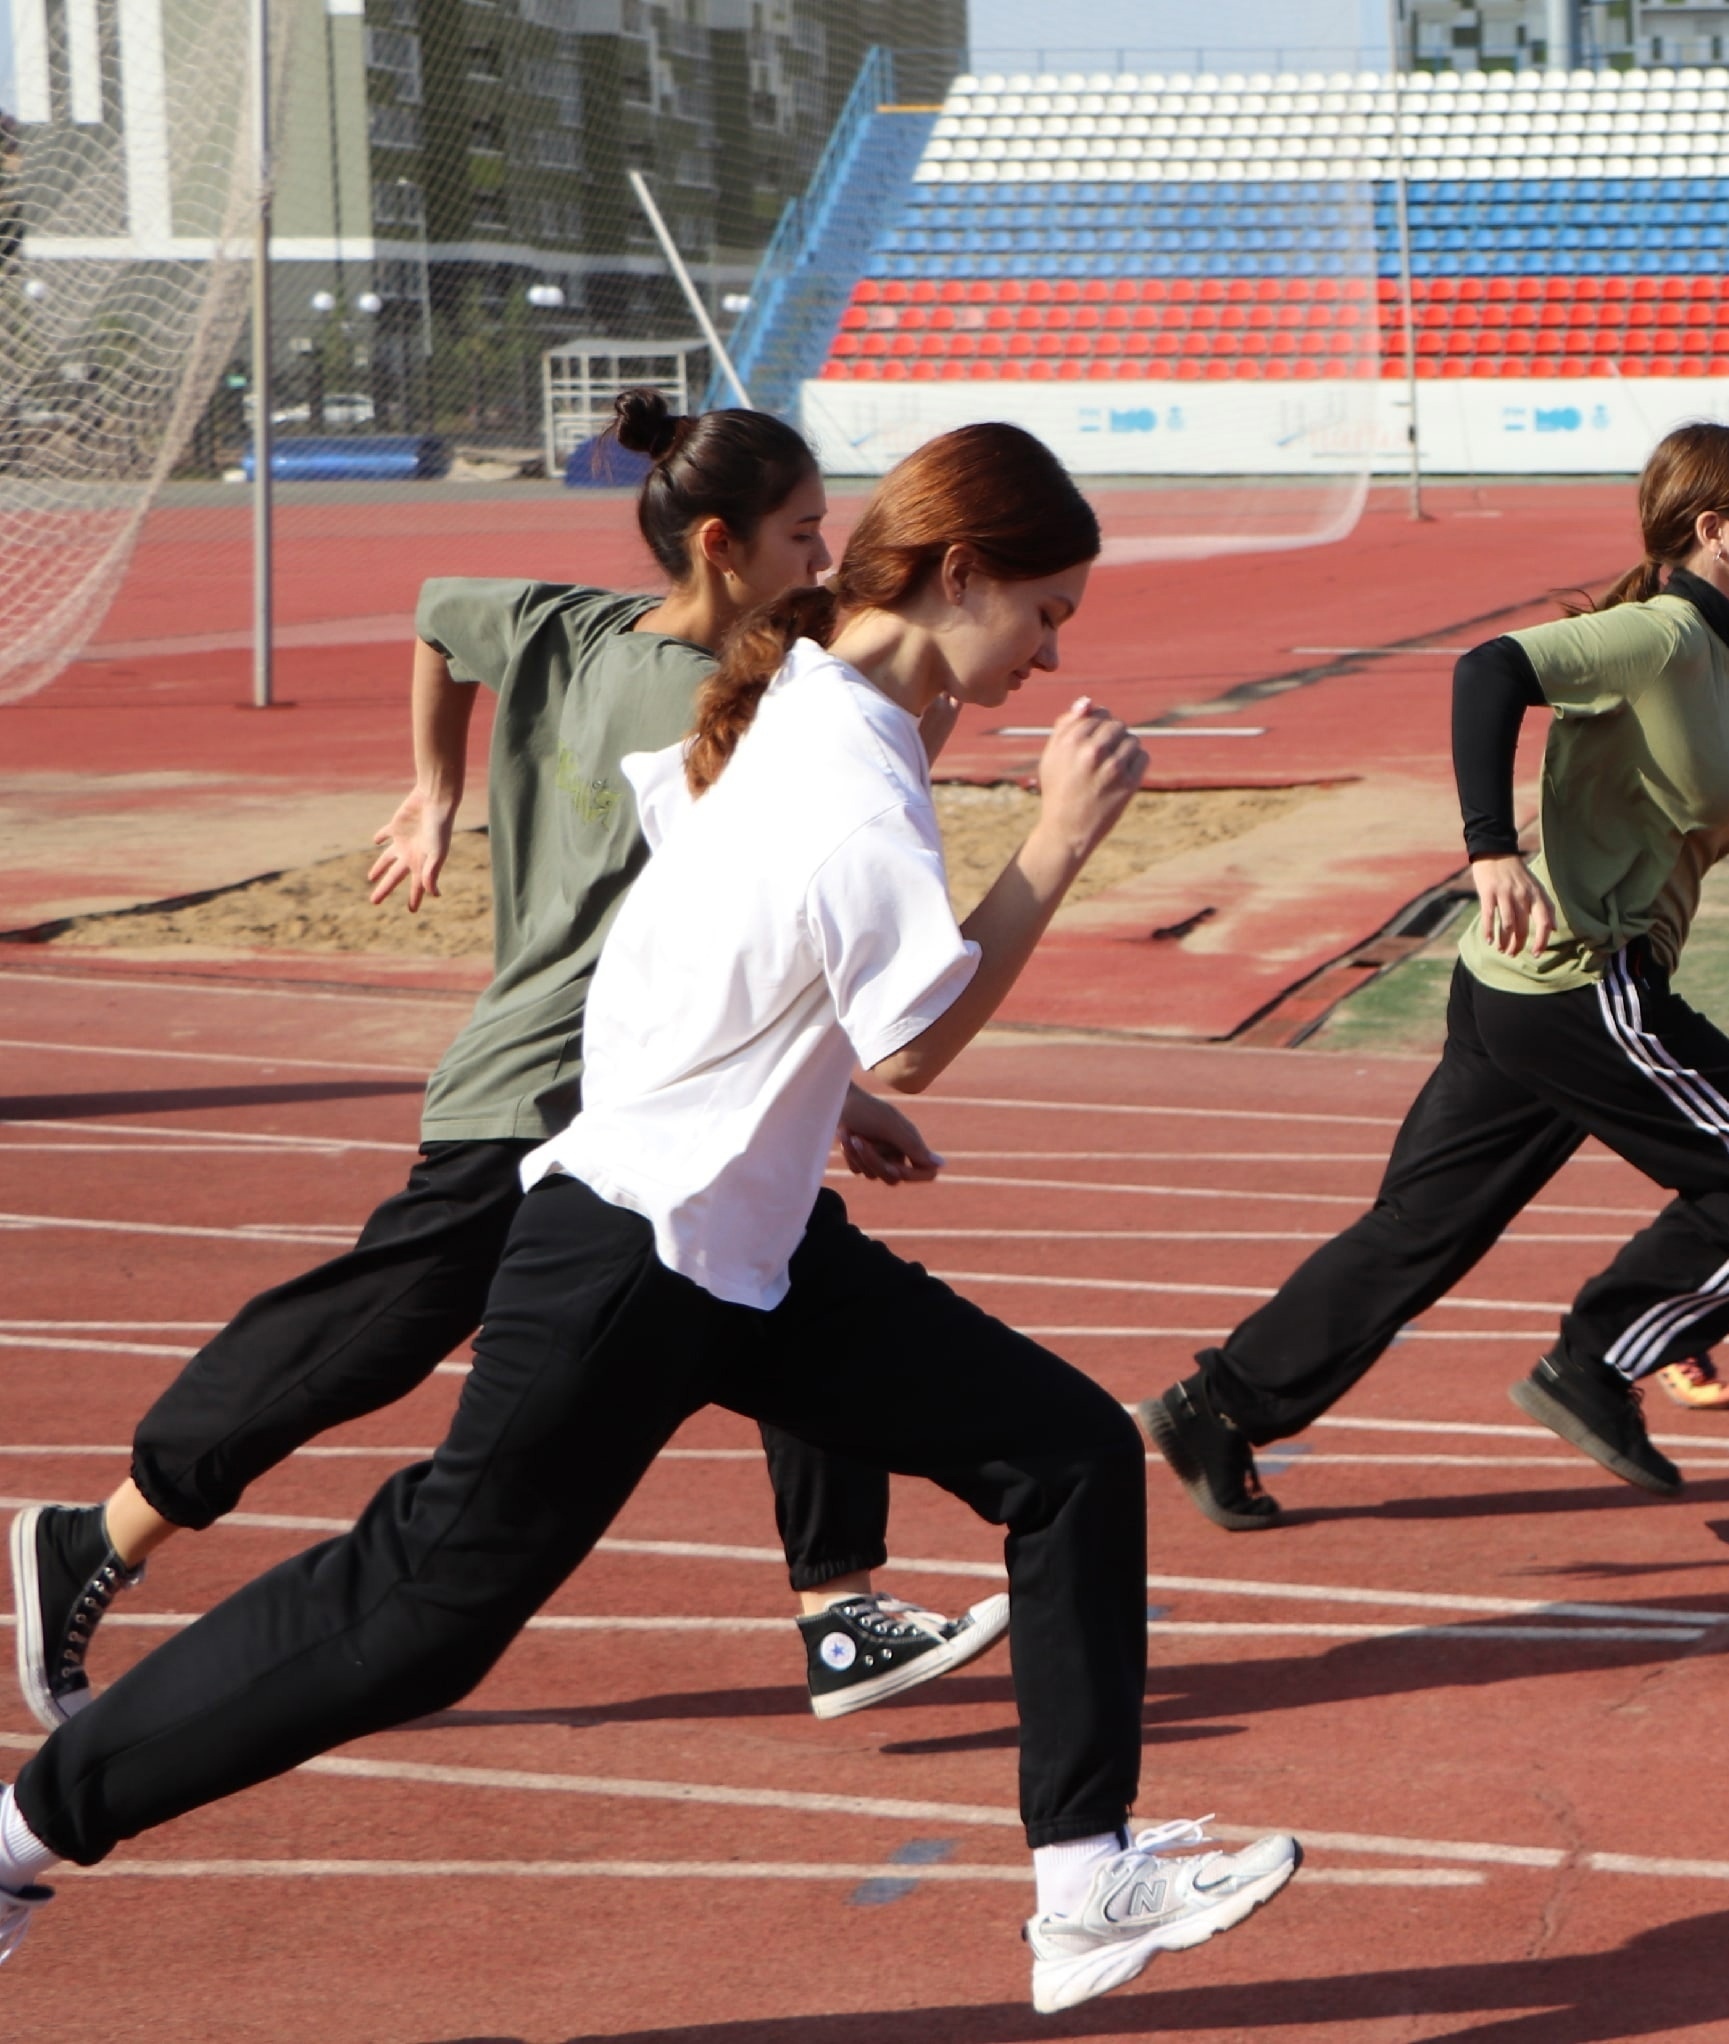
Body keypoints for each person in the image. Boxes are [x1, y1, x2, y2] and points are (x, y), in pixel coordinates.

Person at [0, 422, 1301, 2011]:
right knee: (420, 1613)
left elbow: (707, 916)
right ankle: (16, 1835)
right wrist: (1057, 842)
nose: (1054, 652)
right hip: (639, 1252)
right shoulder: (847, 769)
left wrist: (816, 1091)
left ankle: (1083, 1884)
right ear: (961, 576)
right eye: (1046, 614)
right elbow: (922, 1033)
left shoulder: (821, 689)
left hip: (744, 1248)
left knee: (1071, 1458)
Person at [9, 393, 1002, 1742]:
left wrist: (435, 788)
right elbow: (809, 874)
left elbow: (438, 612)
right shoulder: (736, 712)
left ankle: (840, 1604)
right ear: (721, 543)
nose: (821, 562)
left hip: (638, 1093)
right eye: (801, 536)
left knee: (771, 1256)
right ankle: (95, 1538)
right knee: (365, 1339)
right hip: (544, 1088)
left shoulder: (576, 626)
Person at [1137, 422, 1729, 1527]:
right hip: (1575, 974)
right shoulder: (1653, 637)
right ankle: (1593, 1362)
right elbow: (1488, 668)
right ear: (1712, 529)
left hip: (1529, 990)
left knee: (1422, 1225)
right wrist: (1488, 846)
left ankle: (1217, 1408)